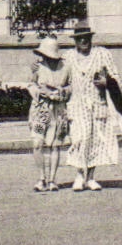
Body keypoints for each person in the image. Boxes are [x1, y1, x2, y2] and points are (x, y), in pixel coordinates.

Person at [64, 20, 122, 191]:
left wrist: (106, 82)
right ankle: (79, 175)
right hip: (76, 105)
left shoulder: (102, 54)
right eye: (79, 39)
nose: (83, 41)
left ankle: (91, 177)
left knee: (95, 139)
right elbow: (60, 79)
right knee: (79, 139)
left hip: (98, 104)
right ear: (75, 41)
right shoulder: (68, 57)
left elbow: (115, 76)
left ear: (90, 38)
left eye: (86, 38)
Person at [27, 35, 72, 192]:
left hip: (58, 111)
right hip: (40, 111)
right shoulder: (38, 67)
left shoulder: (66, 67)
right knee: (37, 143)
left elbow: (70, 87)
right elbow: (31, 85)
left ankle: (52, 180)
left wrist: (61, 92)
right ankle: (42, 178)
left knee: (55, 145)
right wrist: (40, 93)